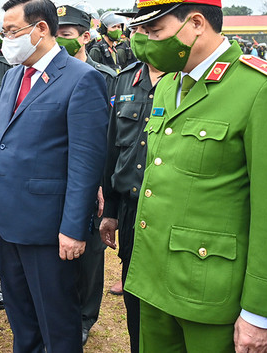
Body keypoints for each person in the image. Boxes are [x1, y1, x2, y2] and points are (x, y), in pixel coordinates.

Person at [122, 0, 267, 352]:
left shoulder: (262, 89)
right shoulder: (169, 85)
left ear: (197, 22)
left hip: (212, 294)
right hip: (154, 283)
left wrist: (260, 313)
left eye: (154, 31)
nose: (144, 42)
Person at [0, 0, 109, 353]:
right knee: (22, 321)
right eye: (3, 32)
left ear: (41, 28)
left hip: (49, 231)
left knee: (57, 324)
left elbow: (85, 165)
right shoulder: (12, 77)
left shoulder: (81, 79)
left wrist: (73, 228)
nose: (6, 40)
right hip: (8, 223)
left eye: (13, 31)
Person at [98, 22, 165, 352]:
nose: (143, 36)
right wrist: (109, 211)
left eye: (153, 28)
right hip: (129, 209)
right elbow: (112, 149)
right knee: (134, 298)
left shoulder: (185, 78)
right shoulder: (126, 78)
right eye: (139, 29)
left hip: (169, 212)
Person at [56, 3, 116, 345]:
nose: (61, 39)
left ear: (85, 36)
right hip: (58, 177)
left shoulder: (105, 78)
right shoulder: (50, 75)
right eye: (57, 33)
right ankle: (61, 310)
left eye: (67, 34)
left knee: (90, 253)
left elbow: (111, 137)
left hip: (95, 182)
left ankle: (84, 316)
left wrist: (103, 183)